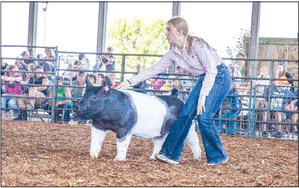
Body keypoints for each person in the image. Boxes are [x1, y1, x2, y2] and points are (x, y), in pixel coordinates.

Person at [117, 17, 232, 165]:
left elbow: (211, 70)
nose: (166, 33)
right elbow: (154, 69)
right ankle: (170, 154)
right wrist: (129, 82)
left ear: (180, 32)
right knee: (185, 113)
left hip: (220, 76)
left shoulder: (197, 45)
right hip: (206, 78)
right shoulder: (173, 53)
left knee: (203, 116)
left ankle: (218, 156)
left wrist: (203, 96)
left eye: (168, 30)